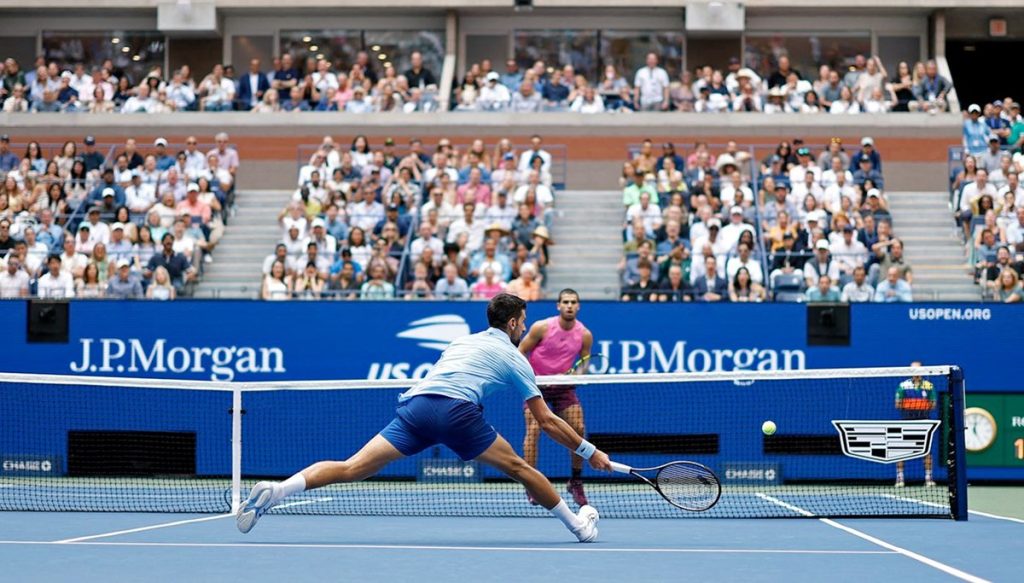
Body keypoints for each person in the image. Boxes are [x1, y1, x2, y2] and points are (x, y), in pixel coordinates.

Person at [237, 294, 609, 542]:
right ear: (512, 324)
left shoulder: (462, 341)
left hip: (417, 407)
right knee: (520, 467)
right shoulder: (515, 358)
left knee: (353, 467)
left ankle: (278, 490)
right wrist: (589, 450)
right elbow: (545, 420)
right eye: (522, 322)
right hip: (457, 412)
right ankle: (579, 526)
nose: (525, 328)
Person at [517, 290, 594, 507]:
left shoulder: (585, 334)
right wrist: (530, 378)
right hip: (536, 386)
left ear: (578, 306)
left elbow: (584, 362)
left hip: (562, 388)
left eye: (573, 302)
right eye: (565, 302)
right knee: (533, 428)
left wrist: (575, 377)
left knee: (578, 429)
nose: (569, 305)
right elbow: (521, 351)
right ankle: (532, 484)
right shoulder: (542, 327)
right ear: (558, 306)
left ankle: (576, 481)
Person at [895, 362, 936, 488]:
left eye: (918, 370)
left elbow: (933, 404)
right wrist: (918, 404)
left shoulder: (929, 386)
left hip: (924, 422)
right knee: (900, 450)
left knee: (926, 451)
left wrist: (912, 404)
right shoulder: (903, 386)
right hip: (907, 421)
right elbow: (897, 404)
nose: (916, 372)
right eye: (913, 370)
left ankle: (928, 479)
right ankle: (900, 479)